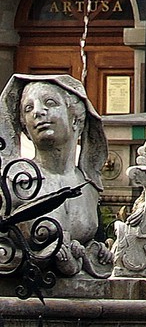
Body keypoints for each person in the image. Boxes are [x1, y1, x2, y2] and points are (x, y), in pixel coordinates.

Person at [0, 74, 109, 269]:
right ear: (25, 129)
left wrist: (97, 252)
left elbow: (84, 245)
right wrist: (40, 256)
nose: (38, 112)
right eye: (29, 108)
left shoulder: (88, 186)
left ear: (76, 119)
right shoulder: (15, 182)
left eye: (49, 103)